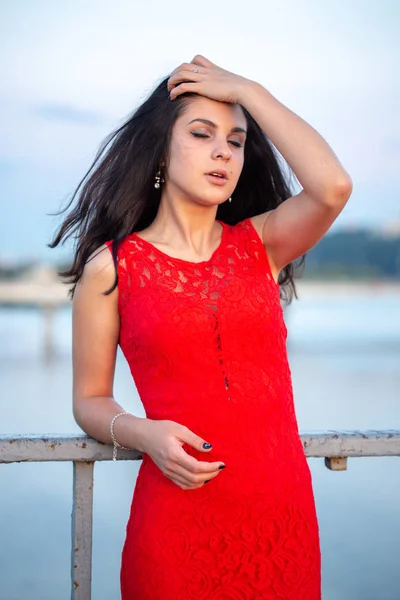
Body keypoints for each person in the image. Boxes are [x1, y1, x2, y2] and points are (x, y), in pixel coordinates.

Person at [49, 54, 352, 599]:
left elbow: (332, 187)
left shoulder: (260, 245)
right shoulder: (112, 267)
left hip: (281, 524)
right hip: (177, 526)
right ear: (160, 150)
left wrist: (249, 90)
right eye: (201, 134)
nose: (222, 152)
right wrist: (145, 433)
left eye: (235, 141)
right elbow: (90, 398)